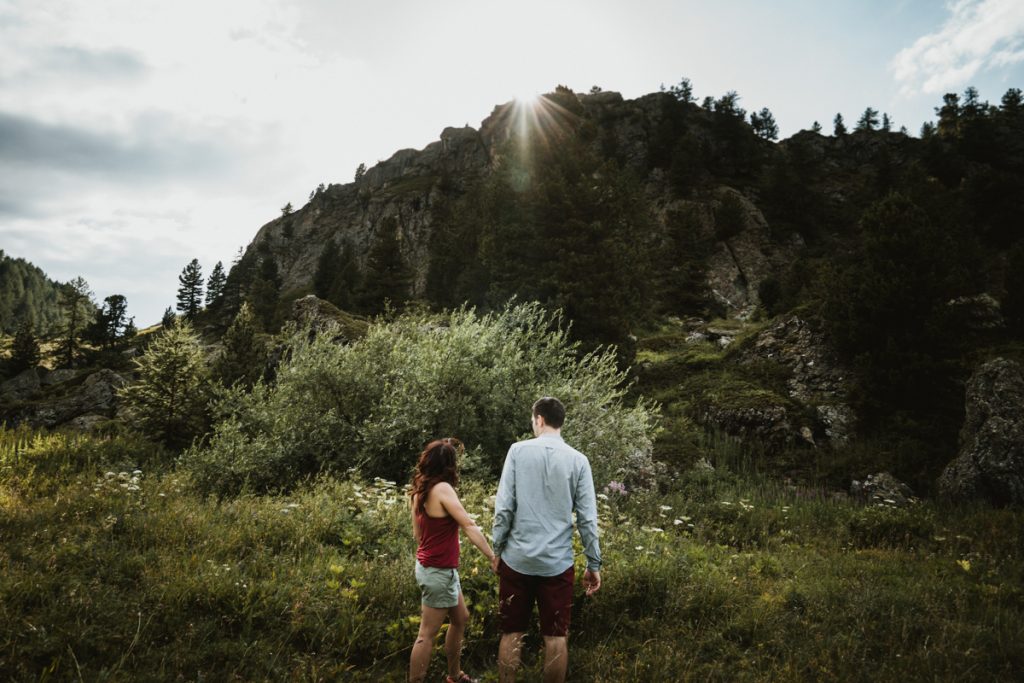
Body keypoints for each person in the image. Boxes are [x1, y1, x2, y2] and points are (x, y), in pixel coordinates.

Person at [491, 397, 602, 683]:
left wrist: (497, 549)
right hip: (557, 564)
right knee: (555, 637)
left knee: (512, 633)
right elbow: (588, 519)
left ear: (539, 420)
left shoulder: (517, 451)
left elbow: (504, 508)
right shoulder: (579, 460)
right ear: (560, 422)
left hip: (517, 560)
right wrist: (594, 563)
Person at [408, 437, 495, 683]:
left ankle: (454, 676)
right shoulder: (443, 489)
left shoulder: (419, 492)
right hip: (438, 571)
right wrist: (491, 556)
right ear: (449, 465)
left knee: (460, 618)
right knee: (426, 635)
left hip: (432, 567)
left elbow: (418, 535)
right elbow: (468, 524)